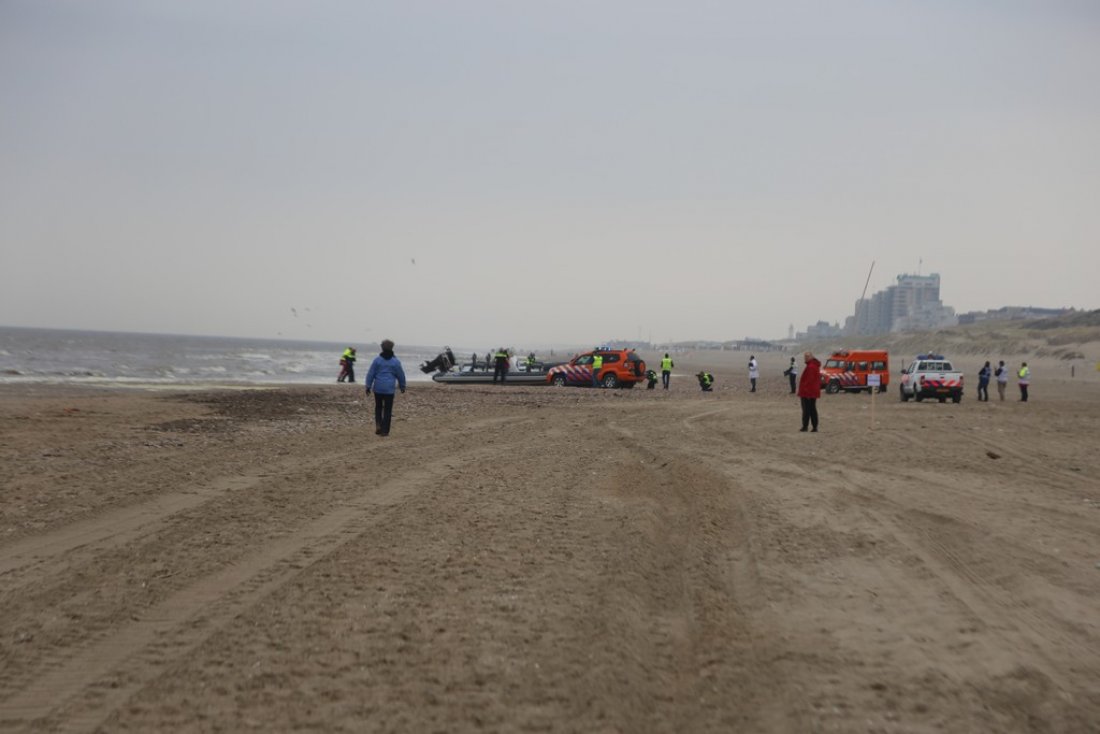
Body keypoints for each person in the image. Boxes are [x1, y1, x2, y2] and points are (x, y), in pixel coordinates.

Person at [365, 339, 406, 437]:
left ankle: (378, 424)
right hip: (389, 389)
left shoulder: (377, 360)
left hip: (378, 388)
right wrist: (402, 386)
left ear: (382, 348)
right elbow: (400, 374)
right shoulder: (395, 362)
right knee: (387, 409)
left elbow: (371, 373)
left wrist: (368, 386)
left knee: (378, 407)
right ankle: (385, 431)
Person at [797, 351, 821, 432]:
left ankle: (806, 426)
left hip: (808, 393)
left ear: (811, 357)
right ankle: (814, 427)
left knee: (807, 410)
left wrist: (806, 392)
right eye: (805, 356)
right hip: (812, 392)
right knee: (812, 409)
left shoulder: (811, 367)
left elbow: (809, 381)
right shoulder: (813, 365)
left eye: (807, 356)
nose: (805, 358)